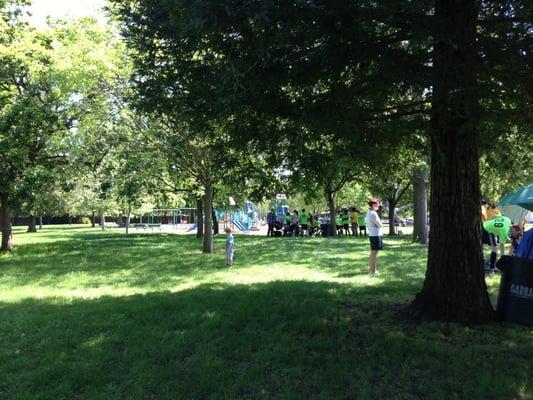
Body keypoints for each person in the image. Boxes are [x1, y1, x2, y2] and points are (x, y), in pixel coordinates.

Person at [365, 198, 383, 275]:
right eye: (377, 204)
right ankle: (373, 271)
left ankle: (371, 270)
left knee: (373, 253)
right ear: (373, 205)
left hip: (373, 234)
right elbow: (380, 225)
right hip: (375, 235)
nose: (378, 205)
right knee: (374, 254)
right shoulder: (373, 213)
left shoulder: (370, 212)